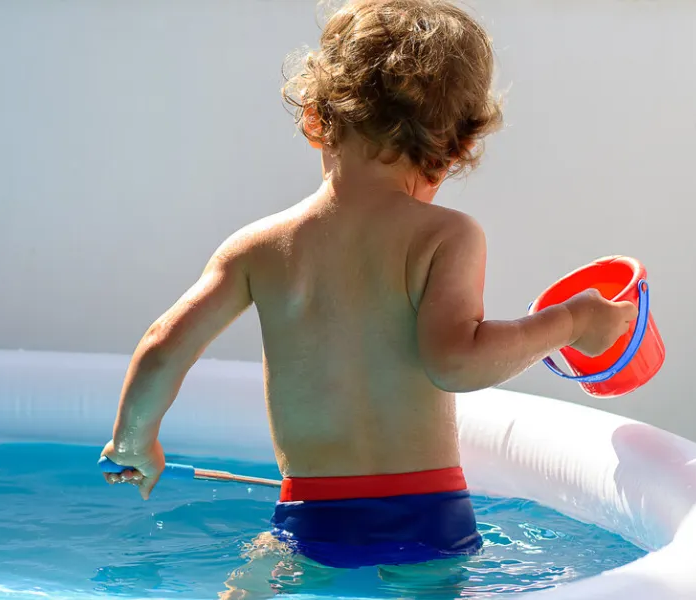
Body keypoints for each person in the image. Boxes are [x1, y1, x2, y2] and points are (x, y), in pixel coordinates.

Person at [100, 0, 638, 595]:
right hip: (428, 516)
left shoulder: (256, 247)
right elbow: (456, 361)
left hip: (311, 514)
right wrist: (572, 319)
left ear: (314, 119)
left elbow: (161, 346)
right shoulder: (445, 235)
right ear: (457, 148)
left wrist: (134, 442)